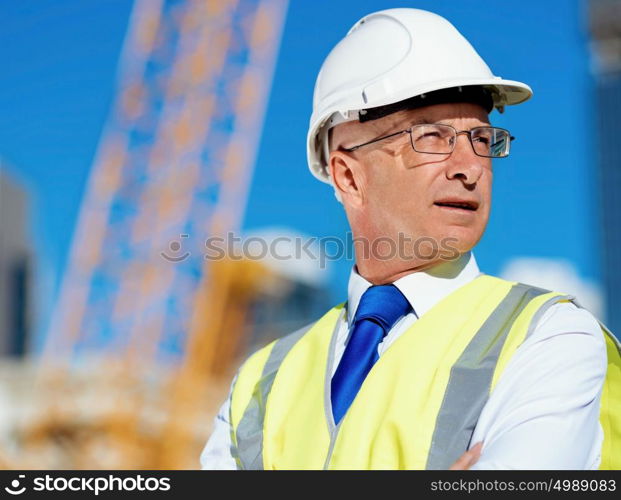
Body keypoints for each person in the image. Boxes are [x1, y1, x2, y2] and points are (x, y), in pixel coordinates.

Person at [200, 8, 621, 470]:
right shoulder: (260, 383)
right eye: (433, 137)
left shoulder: (549, 337)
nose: (471, 166)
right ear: (348, 176)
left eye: (482, 139)